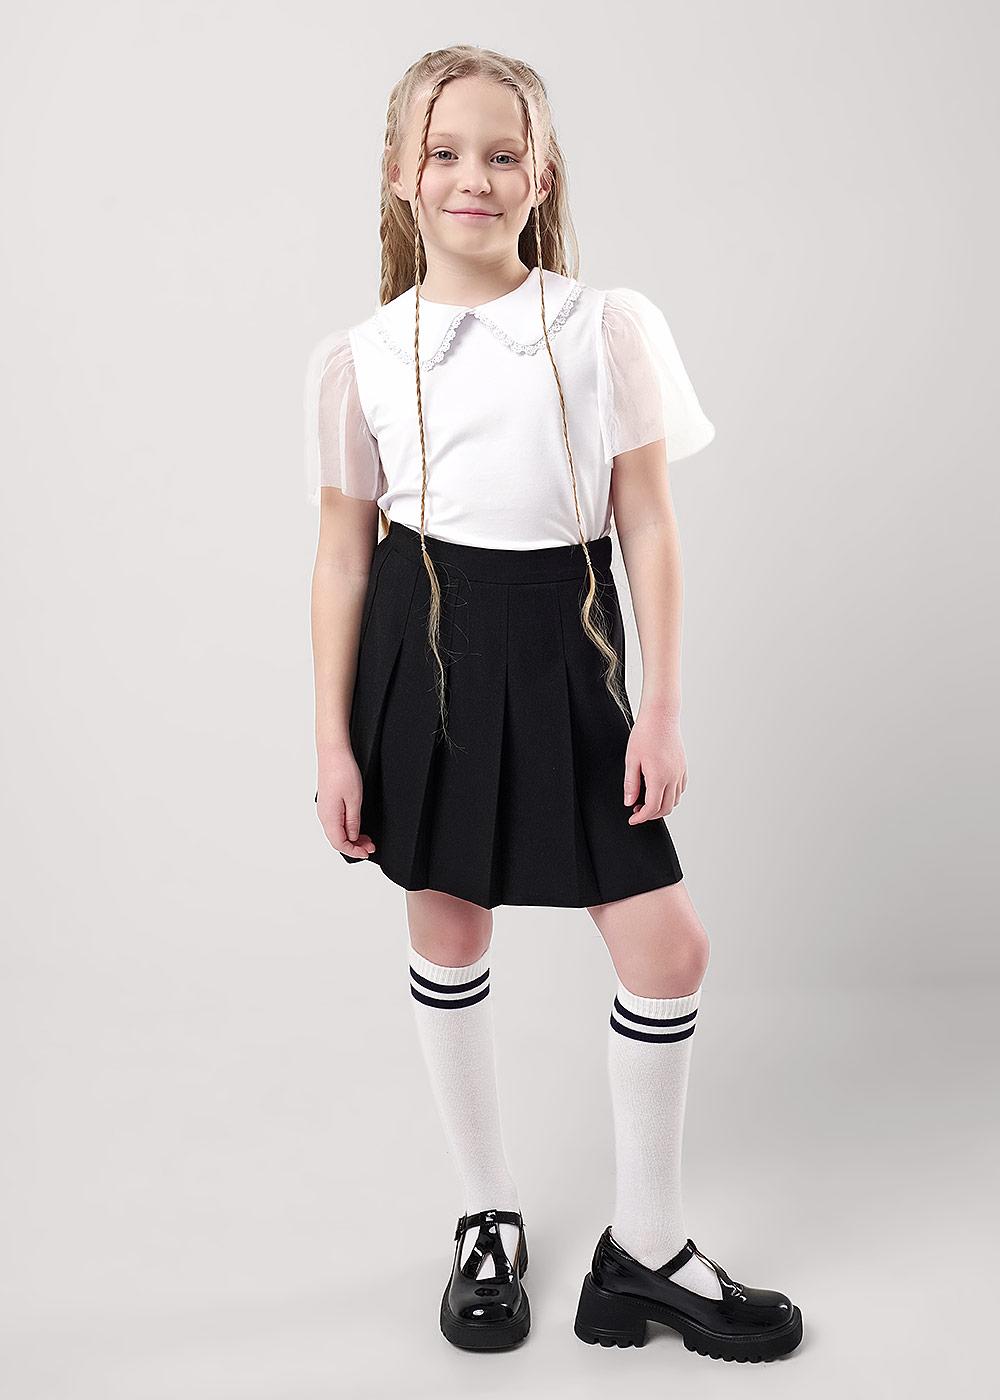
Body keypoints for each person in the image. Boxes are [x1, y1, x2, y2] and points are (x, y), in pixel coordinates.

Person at [305, 45, 803, 1363]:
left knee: (665, 949)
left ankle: (645, 1251)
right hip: (423, 654)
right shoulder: (360, 358)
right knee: (447, 921)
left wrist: (662, 707)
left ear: (543, 174)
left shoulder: (603, 329)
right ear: (401, 174)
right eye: (445, 152)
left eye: (502, 153)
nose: (472, 176)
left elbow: (650, 524)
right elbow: (343, 555)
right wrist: (333, 741)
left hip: (570, 652)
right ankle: (486, 1218)